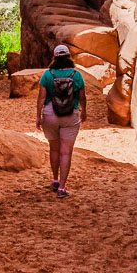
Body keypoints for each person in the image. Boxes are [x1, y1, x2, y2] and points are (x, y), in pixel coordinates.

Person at [36, 44, 86, 199]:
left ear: (55, 57)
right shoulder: (76, 75)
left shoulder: (47, 75)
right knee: (66, 152)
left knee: (54, 149)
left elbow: (42, 98)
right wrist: (84, 111)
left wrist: (38, 116)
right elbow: (82, 97)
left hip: (50, 114)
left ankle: (55, 180)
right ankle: (62, 188)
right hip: (71, 114)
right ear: (69, 57)